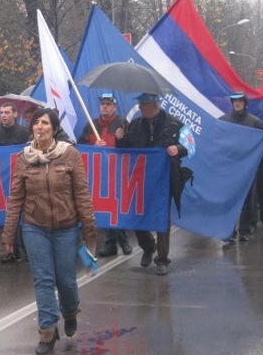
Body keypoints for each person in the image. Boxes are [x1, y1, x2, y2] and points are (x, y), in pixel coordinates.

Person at [2, 108, 97, 355]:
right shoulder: (24, 158)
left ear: (54, 129)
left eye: (45, 123)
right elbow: (15, 198)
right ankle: (47, 330)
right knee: (43, 280)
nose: (39, 127)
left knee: (66, 280)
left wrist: (89, 227)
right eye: (36, 123)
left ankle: (69, 311)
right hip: (34, 228)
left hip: (66, 228)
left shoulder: (70, 155)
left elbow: (82, 194)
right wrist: (9, 231)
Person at [115, 93, 187, 276]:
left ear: (155, 104)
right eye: (139, 104)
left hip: (165, 178)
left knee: (162, 218)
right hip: (140, 179)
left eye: (143, 104)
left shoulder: (175, 123)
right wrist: (120, 139)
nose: (140, 107)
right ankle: (148, 246)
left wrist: (177, 149)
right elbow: (124, 150)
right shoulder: (135, 125)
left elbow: (190, 146)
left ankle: (162, 260)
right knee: (138, 215)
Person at [78, 93, 132, 257]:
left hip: (118, 173)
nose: (105, 107)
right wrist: (93, 145)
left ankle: (123, 241)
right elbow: (80, 145)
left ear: (114, 107)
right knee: (106, 208)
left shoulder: (122, 123)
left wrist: (121, 140)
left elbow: (130, 145)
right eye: (103, 104)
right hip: (99, 174)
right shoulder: (91, 125)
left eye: (108, 104)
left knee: (116, 208)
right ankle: (112, 244)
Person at [0, 102, 31, 263]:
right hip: (1, 180)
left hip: (20, 179)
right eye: (1, 113)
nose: (3, 115)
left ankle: (26, 250)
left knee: (22, 215)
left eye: (7, 112)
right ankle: (12, 250)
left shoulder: (24, 133)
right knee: (8, 216)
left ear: (15, 114)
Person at [219, 92, 263, 241]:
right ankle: (230, 231)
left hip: (248, 168)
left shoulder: (255, 122)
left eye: (240, 101)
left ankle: (244, 230)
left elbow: (262, 144)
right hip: (229, 167)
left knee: (246, 199)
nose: (237, 103)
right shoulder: (223, 120)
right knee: (229, 199)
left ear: (245, 103)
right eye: (234, 101)